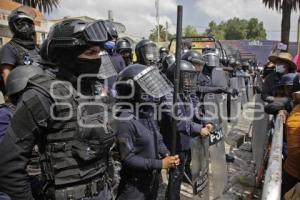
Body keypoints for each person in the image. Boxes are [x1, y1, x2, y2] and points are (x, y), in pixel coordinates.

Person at [0, 18, 116, 200]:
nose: (98, 59)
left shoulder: (93, 92)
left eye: (99, 52)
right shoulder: (42, 95)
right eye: (91, 52)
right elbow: (8, 166)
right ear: (68, 55)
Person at [115, 64, 179, 200]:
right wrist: (161, 164)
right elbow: (128, 159)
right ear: (131, 90)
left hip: (151, 181)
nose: (150, 91)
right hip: (134, 187)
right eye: (145, 87)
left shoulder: (147, 113)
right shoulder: (125, 120)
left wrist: (167, 153)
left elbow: (158, 138)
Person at [162, 60, 213, 200]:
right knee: (175, 176)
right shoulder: (168, 95)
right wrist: (199, 129)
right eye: (187, 78)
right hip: (173, 142)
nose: (190, 82)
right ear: (177, 76)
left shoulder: (185, 92)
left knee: (179, 174)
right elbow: (178, 121)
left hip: (184, 141)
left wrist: (205, 121)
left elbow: (196, 109)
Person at [0, 6, 40, 83]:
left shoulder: (34, 47)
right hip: (22, 90)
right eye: (22, 24)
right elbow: (6, 74)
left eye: (29, 24)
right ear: (14, 26)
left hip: (40, 88)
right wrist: (11, 94)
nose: (27, 27)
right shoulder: (9, 48)